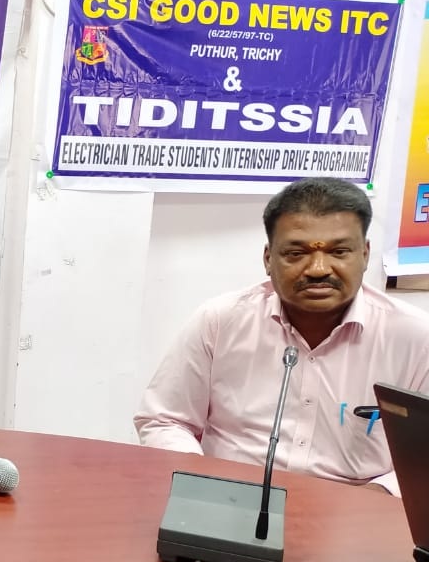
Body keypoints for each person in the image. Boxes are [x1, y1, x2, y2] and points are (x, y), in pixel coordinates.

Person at [135, 176, 429, 495]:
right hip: (228, 499)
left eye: (339, 251)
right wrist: (200, 483)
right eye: (296, 253)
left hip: (358, 508)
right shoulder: (221, 321)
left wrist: (378, 496)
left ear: (365, 254)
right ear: (268, 258)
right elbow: (164, 420)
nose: (318, 268)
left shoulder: (415, 338)